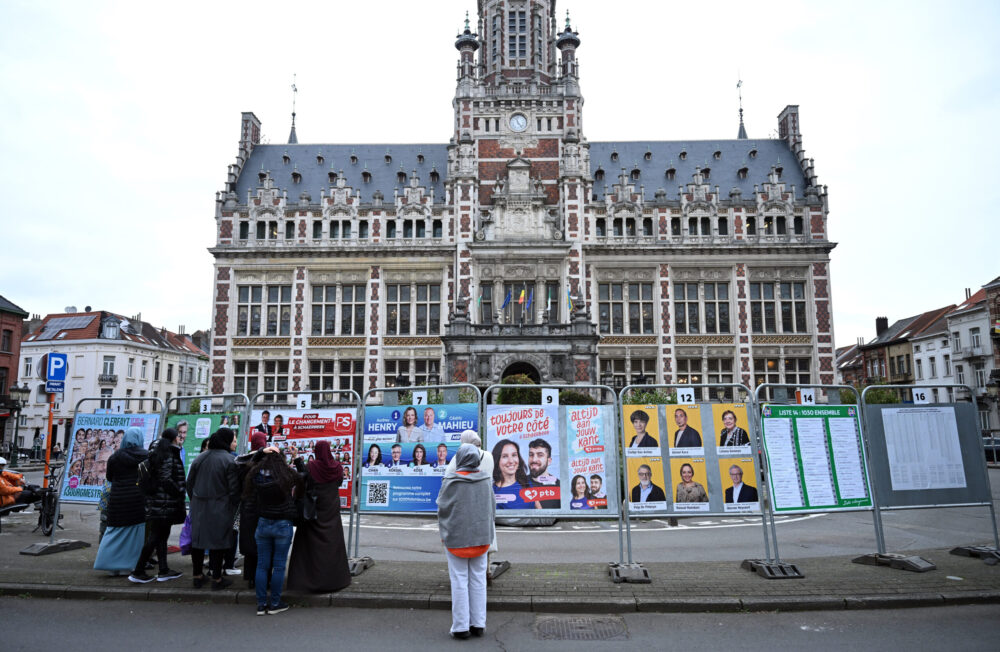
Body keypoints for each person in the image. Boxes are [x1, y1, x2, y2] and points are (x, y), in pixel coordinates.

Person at [437, 444, 495, 639]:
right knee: (478, 579)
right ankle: (478, 624)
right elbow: (491, 509)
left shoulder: (450, 481)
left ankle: (461, 627)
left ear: (460, 459)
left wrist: (444, 533)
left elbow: (442, 509)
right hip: (481, 538)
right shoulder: (486, 480)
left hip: (456, 538)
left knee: (459, 580)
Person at [287, 440, 351, 596]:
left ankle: (309, 580)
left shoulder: (312, 466)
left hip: (314, 510)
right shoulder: (337, 467)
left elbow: (304, 478)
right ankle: (334, 579)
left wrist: (296, 458)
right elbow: (338, 482)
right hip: (331, 510)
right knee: (332, 543)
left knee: (310, 546)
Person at [243, 446, 301, 615]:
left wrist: (261, 452)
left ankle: (261, 604)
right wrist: (296, 458)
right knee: (279, 566)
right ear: (281, 460)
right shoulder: (287, 475)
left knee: (262, 565)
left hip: (263, 523)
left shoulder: (256, 475)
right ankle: (275, 603)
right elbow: (304, 476)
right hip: (283, 524)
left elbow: (244, 463)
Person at [129, 428, 186, 584]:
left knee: (161, 536)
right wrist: (179, 490)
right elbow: (166, 479)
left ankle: (163, 569)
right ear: (173, 439)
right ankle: (138, 571)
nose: (180, 438)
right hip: (164, 503)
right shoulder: (168, 454)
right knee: (155, 536)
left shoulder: (160, 451)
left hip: (159, 502)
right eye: (178, 436)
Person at [187, 428, 241, 590]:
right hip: (220, 507)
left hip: (198, 506)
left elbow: (189, 484)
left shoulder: (200, 458)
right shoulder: (230, 461)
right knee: (218, 543)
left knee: (197, 542)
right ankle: (216, 579)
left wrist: (196, 500)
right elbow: (234, 490)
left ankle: (197, 576)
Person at [94, 427, 148, 575]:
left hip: (118, 501)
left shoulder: (114, 457)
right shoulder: (146, 456)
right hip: (138, 501)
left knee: (114, 533)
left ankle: (111, 566)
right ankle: (130, 566)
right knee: (134, 536)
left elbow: (110, 478)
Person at [236, 432, 268, 588]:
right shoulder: (267, 461)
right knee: (263, 545)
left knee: (250, 544)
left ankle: (250, 577)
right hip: (263, 508)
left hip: (247, 508)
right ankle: (262, 578)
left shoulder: (243, 461)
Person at [491, 439, 540, 509]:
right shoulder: (492, 492)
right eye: (505, 456)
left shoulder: (526, 482)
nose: (511, 461)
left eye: (514, 455)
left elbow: (540, 512)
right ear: (497, 460)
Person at [527, 438, 560, 509]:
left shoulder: (559, 486)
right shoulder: (519, 483)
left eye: (540, 455)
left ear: (549, 461)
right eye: (531, 455)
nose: (534, 459)